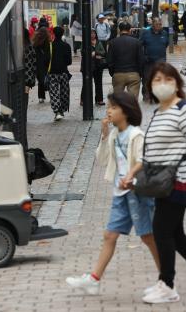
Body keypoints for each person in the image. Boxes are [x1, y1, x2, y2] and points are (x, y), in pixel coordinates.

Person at [121, 63, 186, 304]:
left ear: (177, 83)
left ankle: (167, 284)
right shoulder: (158, 112)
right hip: (162, 181)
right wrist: (133, 174)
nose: (161, 84)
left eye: (166, 79)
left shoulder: (184, 110)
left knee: (161, 230)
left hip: (180, 179)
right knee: (174, 233)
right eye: (156, 80)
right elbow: (150, 151)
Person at [66, 92, 160, 295]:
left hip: (137, 193)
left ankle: (166, 279)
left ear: (126, 111)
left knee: (148, 237)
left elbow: (145, 160)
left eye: (113, 107)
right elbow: (102, 159)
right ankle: (94, 279)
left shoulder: (137, 135)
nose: (108, 110)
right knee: (110, 235)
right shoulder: (116, 135)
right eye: (109, 106)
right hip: (121, 193)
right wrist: (104, 133)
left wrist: (131, 175)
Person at [107, 22, 143, 98]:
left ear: (119, 30)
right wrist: (140, 73)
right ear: (130, 30)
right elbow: (141, 59)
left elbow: (110, 60)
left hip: (118, 73)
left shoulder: (113, 42)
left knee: (118, 100)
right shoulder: (137, 42)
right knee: (132, 101)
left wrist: (112, 73)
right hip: (133, 73)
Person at [139, 17, 169, 102]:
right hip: (148, 61)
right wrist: (144, 56)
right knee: (147, 79)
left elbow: (166, 44)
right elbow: (140, 45)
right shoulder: (145, 33)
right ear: (152, 25)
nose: (159, 26)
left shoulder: (164, 33)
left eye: (160, 24)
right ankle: (146, 95)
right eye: (157, 24)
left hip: (161, 61)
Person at [47, 25, 72, 121]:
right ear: (62, 34)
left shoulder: (50, 46)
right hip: (64, 72)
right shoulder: (66, 46)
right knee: (64, 92)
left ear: (53, 33)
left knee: (54, 93)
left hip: (52, 73)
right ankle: (62, 109)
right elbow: (69, 61)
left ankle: (57, 110)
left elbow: (46, 60)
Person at [80, 31, 106, 106]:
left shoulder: (98, 42)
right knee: (86, 83)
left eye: (94, 33)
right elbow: (83, 52)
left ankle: (99, 100)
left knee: (98, 83)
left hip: (98, 65)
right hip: (88, 66)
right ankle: (83, 99)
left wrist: (95, 53)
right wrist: (92, 54)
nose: (92, 35)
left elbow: (103, 52)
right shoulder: (85, 42)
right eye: (91, 33)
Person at [22, 25, 36, 150]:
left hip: (22, 78)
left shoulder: (20, 49)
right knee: (25, 99)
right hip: (28, 79)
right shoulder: (30, 47)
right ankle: (24, 117)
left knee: (21, 100)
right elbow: (33, 64)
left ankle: (23, 118)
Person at [32, 27, 50, 104]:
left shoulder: (35, 43)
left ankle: (41, 97)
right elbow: (49, 54)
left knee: (40, 81)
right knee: (48, 80)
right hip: (46, 64)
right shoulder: (48, 42)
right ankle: (51, 96)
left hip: (38, 65)